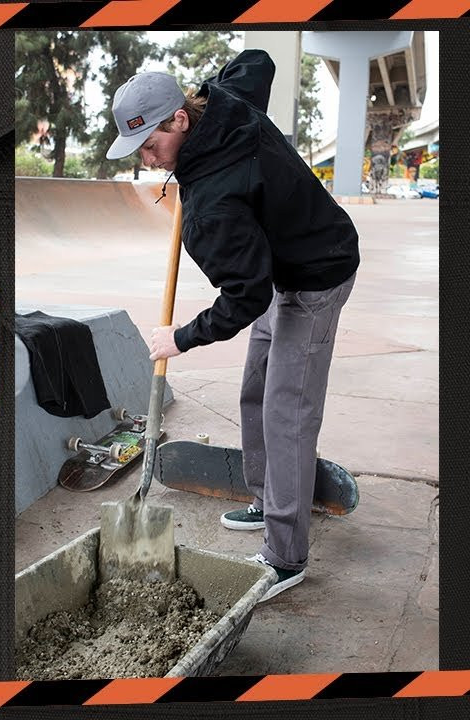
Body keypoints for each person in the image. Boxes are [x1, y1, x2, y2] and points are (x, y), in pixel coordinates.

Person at [105, 50, 360, 602]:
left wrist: (180, 337)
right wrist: (208, 83)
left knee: (286, 414)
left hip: (316, 275)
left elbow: (244, 297)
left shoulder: (213, 203)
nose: (149, 160)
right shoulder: (225, 100)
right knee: (255, 391)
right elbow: (257, 60)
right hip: (278, 266)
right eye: (139, 150)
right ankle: (267, 498)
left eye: (151, 144)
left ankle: (284, 557)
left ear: (179, 119)